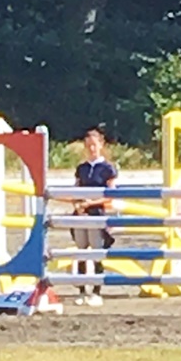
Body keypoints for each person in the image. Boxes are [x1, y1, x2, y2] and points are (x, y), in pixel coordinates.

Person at [72, 127, 117, 306]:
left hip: (97, 213)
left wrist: (90, 203)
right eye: (88, 145)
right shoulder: (81, 168)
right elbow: (76, 189)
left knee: (97, 252)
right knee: (81, 251)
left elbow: (111, 195)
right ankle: (82, 291)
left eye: (94, 145)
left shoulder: (107, 168)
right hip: (81, 213)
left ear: (101, 145)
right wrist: (77, 204)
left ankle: (97, 292)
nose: (91, 148)